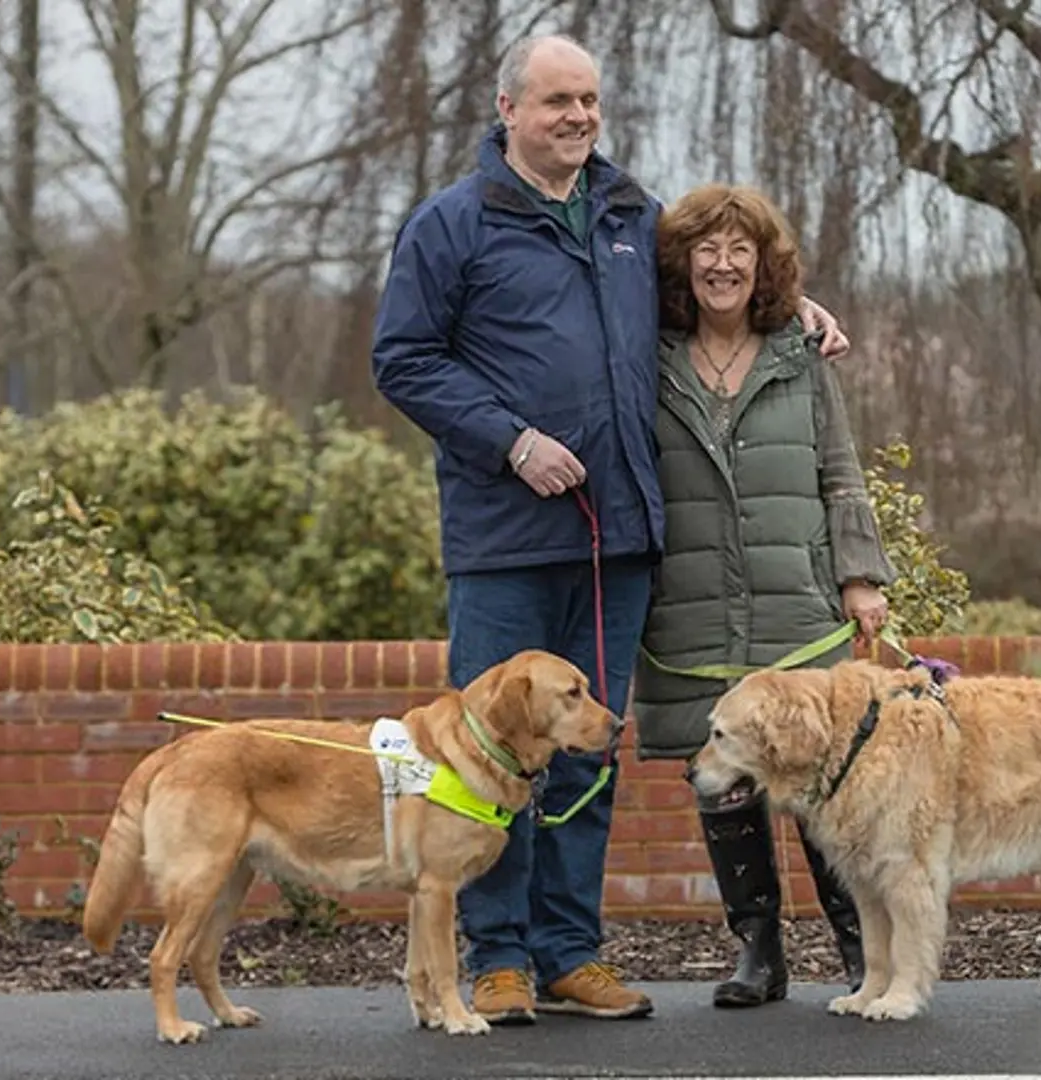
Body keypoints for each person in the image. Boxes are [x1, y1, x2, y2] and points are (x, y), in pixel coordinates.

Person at [369, 34, 848, 1026]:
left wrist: (797, 310)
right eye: (558, 102)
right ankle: (497, 956)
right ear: (508, 107)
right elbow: (404, 359)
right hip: (506, 539)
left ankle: (569, 954)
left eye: (590, 100)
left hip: (618, 538)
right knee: (485, 756)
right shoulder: (453, 224)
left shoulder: (635, 216)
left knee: (586, 753)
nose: (579, 118)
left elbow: (717, 291)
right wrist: (510, 442)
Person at [631, 183, 896, 1008]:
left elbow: (839, 470)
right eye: (706, 249)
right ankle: (758, 950)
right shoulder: (646, 356)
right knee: (722, 777)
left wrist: (858, 577)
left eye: (739, 249)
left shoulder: (799, 353)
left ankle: (858, 944)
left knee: (822, 773)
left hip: (794, 598)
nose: (722, 264)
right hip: (690, 604)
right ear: (681, 263)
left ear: (763, 264)